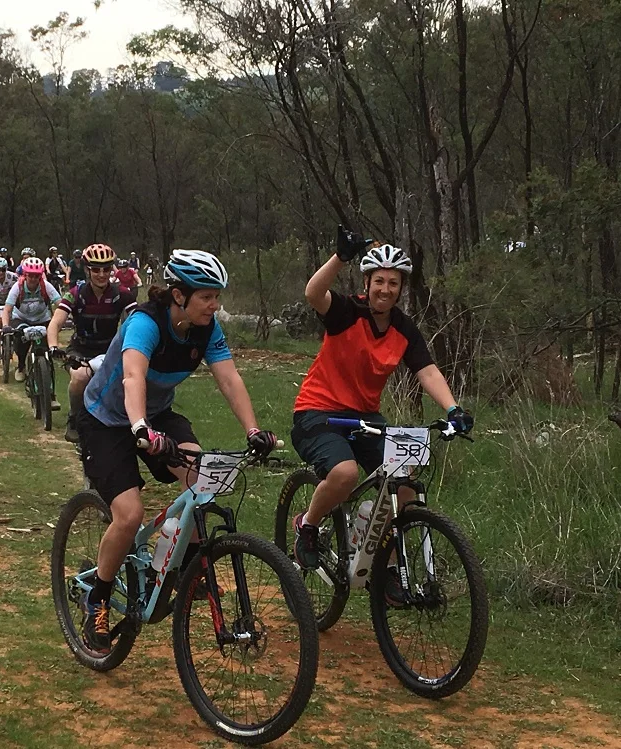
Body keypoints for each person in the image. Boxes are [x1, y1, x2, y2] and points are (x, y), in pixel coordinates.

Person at [77, 249, 278, 654]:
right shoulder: (144, 322)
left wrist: (254, 429)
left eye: (217, 296)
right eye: (207, 296)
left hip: (157, 415)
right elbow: (133, 376)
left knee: (205, 481)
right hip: (108, 421)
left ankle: (181, 566)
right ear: (178, 295)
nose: (215, 304)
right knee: (130, 514)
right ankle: (96, 596)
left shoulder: (207, 329)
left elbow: (229, 379)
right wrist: (140, 428)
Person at [290, 226, 474, 601]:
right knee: (344, 474)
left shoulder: (404, 329)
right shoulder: (346, 312)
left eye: (393, 283)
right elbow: (313, 293)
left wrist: (453, 408)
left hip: (365, 418)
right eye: (378, 281)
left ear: (401, 288)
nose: (385, 289)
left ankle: (385, 568)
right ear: (367, 282)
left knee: (404, 486)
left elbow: (426, 370)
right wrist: (341, 256)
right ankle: (308, 526)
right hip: (318, 412)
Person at [47, 243, 137, 443]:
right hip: (80, 348)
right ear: (87, 270)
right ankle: (74, 418)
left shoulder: (121, 294)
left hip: (110, 349)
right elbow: (56, 322)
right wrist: (53, 346)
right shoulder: (76, 293)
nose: (102, 274)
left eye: (106, 269)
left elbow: (139, 322)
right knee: (80, 378)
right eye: (96, 269)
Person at [0, 257, 62, 388]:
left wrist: (62, 319)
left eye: (36, 276)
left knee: (48, 350)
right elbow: (7, 310)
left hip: (42, 319)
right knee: (21, 340)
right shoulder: (18, 287)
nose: (33, 279)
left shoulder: (46, 286)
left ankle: (49, 388)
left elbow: (61, 305)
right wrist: (6, 325)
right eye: (30, 276)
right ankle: (21, 366)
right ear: (25, 275)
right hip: (21, 318)